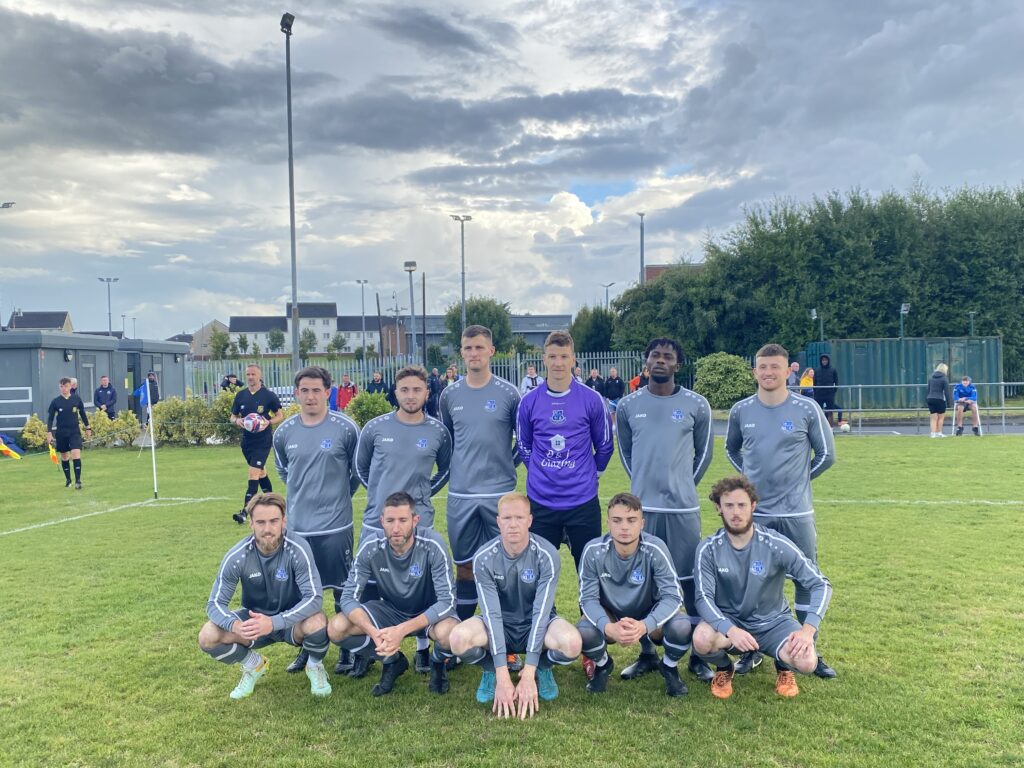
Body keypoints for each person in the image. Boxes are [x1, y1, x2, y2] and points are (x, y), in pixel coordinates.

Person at [725, 342, 836, 679]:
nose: (769, 372)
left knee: (805, 579)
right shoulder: (741, 411)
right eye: (763, 367)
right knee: (753, 582)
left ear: (788, 371)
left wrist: (801, 479)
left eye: (775, 366)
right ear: (754, 371)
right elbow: (732, 450)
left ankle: (808, 646)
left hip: (796, 514)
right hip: (756, 516)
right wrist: (749, 486)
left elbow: (826, 455)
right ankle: (752, 651)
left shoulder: (806, 409)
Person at [615, 337, 714, 684]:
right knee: (641, 582)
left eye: (667, 356)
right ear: (646, 362)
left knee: (689, 582)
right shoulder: (628, 405)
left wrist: (682, 484)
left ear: (677, 364)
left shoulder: (697, 404)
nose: (660, 360)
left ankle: (699, 656)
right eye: (654, 355)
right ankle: (647, 653)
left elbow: (704, 455)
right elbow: (626, 454)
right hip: (643, 512)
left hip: (682, 510)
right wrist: (643, 486)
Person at [693, 476, 832, 699]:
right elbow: (702, 598)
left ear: (753, 506)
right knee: (701, 639)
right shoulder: (708, 549)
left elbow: (820, 584)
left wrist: (808, 631)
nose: (736, 512)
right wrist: (730, 629)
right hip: (731, 621)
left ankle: (783, 668)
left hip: (773, 622)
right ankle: (724, 668)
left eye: (742, 505)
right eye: (729, 505)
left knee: (807, 662)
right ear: (718, 508)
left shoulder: (775, 544)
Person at [355, 365, 451, 676]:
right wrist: (379, 497)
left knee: (420, 586)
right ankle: (371, 649)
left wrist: (422, 495)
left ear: (427, 393)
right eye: (405, 389)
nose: (411, 395)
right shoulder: (375, 428)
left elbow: (445, 470)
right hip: (377, 521)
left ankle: (422, 648)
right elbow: (361, 468)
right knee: (369, 584)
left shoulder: (438, 431)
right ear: (395, 392)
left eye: (417, 390)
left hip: (418, 523)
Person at [449, 493, 582, 718]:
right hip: (500, 625)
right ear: (498, 521)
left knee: (572, 643)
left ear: (529, 520)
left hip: (536, 624)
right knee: (457, 639)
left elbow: (541, 613)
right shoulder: (483, 557)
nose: (513, 524)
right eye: (507, 518)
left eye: (519, 518)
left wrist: (529, 671)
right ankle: (491, 670)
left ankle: (543, 667)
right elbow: (491, 615)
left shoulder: (547, 554)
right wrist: (503, 676)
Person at [198, 493, 332, 700]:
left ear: (284, 521)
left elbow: (314, 598)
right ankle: (254, 665)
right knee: (208, 635)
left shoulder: (298, 549)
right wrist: (235, 625)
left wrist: (274, 622)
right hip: (254, 623)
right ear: (251, 523)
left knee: (318, 622)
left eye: (273, 521)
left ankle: (314, 666)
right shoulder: (237, 556)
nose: (267, 529)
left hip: (292, 622)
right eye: (260, 522)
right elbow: (215, 604)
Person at [273, 366, 361, 675]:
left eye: (316, 390)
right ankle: (308, 648)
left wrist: (338, 497)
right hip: (298, 528)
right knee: (302, 593)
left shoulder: (346, 428)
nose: (310, 396)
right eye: (304, 391)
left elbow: (356, 473)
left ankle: (346, 649)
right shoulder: (283, 432)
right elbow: (284, 471)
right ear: (296, 393)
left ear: (327, 392)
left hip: (336, 526)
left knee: (342, 591)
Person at [329, 492, 458, 696]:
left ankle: (437, 662)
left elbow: (447, 602)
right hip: (391, 610)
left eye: (403, 520)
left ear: (415, 520)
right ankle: (392, 660)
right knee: (336, 628)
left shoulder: (433, 544)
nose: (396, 528)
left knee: (450, 634)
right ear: (382, 521)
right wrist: (373, 632)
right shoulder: (371, 546)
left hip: (429, 612)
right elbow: (348, 598)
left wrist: (401, 630)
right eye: (390, 521)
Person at [439, 326, 521, 626]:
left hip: (500, 494)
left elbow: (522, 444)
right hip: (461, 495)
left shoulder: (509, 394)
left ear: (491, 351)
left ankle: (506, 631)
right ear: (461, 352)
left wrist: (507, 465)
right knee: (464, 566)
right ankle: (460, 633)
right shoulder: (449, 395)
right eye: (468, 348)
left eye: (479, 347)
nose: (474, 353)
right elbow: (448, 442)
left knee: (505, 564)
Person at [517, 330, 613, 572]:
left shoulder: (592, 399)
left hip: (582, 501)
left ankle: (588, 604)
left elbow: (604, 445)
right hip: (541, 501)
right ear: (544, 359)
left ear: (573, 359)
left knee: (591, 573)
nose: (558, 363)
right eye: (552, 356)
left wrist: (592, 475)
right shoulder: (528, 401)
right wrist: (540, 471)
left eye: (564, 356)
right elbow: (524, 445)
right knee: (537, 573)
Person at [577, 493, 691, 696]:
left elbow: (673, 597)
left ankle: (669, 667)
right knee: (584, 630)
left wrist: (645, 625)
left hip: (649, 612)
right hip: (611, 613)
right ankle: (603, 665)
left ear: (642, 524)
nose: (624, 527)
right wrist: (608, 627)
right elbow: (588, 599)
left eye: (631, 520)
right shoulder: (593, 551)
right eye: (617, 520)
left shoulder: (655, 548)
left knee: (681, 625)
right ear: (608, 523)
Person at [229, 364, 284, 524]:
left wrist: (269, 422)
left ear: (260, 376)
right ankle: (273, 503)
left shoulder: (269, 395)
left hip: (263, 441)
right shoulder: (241, 395)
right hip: (247, 442)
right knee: (260, 473)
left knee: (253, 473)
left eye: (253, 374)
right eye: (248, 374)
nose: (250, 377)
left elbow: (280, 415)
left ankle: (245, 512)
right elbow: (232, 416)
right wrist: (237, 421)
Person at [46, 377, 91, 489]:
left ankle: (78, 481)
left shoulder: (76, 399)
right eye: (61, 386)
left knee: (76, 453)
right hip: (61, 432)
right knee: (65, 456)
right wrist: (49, 432)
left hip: (74, 431)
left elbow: (82, 413)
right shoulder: (56, 401)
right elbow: (50, 418)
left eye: (65, 386)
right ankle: (68, 480)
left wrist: (88, 427)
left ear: (70, 386)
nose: (63, 389)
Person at [813, 354, 841, 427]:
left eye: (826, 360)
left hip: (829, 394)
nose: (824, 361)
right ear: (821, 361)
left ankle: (830, 428)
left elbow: (836, 382)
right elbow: (814, 383)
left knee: (830, 411)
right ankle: (819, 427)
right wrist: (816, 392)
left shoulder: (833, 370)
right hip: (819, 394)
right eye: (823, 360)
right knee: (819, 411)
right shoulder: (817, 370)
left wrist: (833, 392)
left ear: (828, 361)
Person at [927, 363, 951, 438]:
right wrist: (949, 403)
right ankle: (939, 433)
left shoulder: (931, 377)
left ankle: (933, 434)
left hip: (930, 398)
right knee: (941, 417)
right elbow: (946, 391)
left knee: (933, 418)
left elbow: (928, 389)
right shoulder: (944, 378)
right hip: (940, 399)